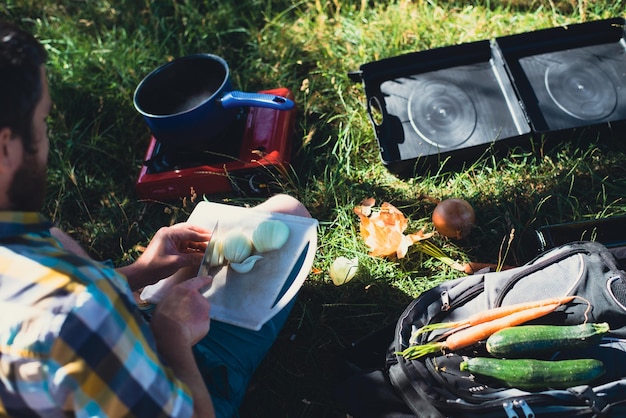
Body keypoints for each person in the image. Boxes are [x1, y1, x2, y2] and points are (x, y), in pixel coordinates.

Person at [0, 20, 312, 417]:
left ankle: (142, 303)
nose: (46, 142)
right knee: (288, 213)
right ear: (5, 149)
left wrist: (139, 271)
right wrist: (173, 337)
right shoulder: (78, 311)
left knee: (58, 238)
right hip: (163, 376)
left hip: (83, 366)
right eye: (42, 124)